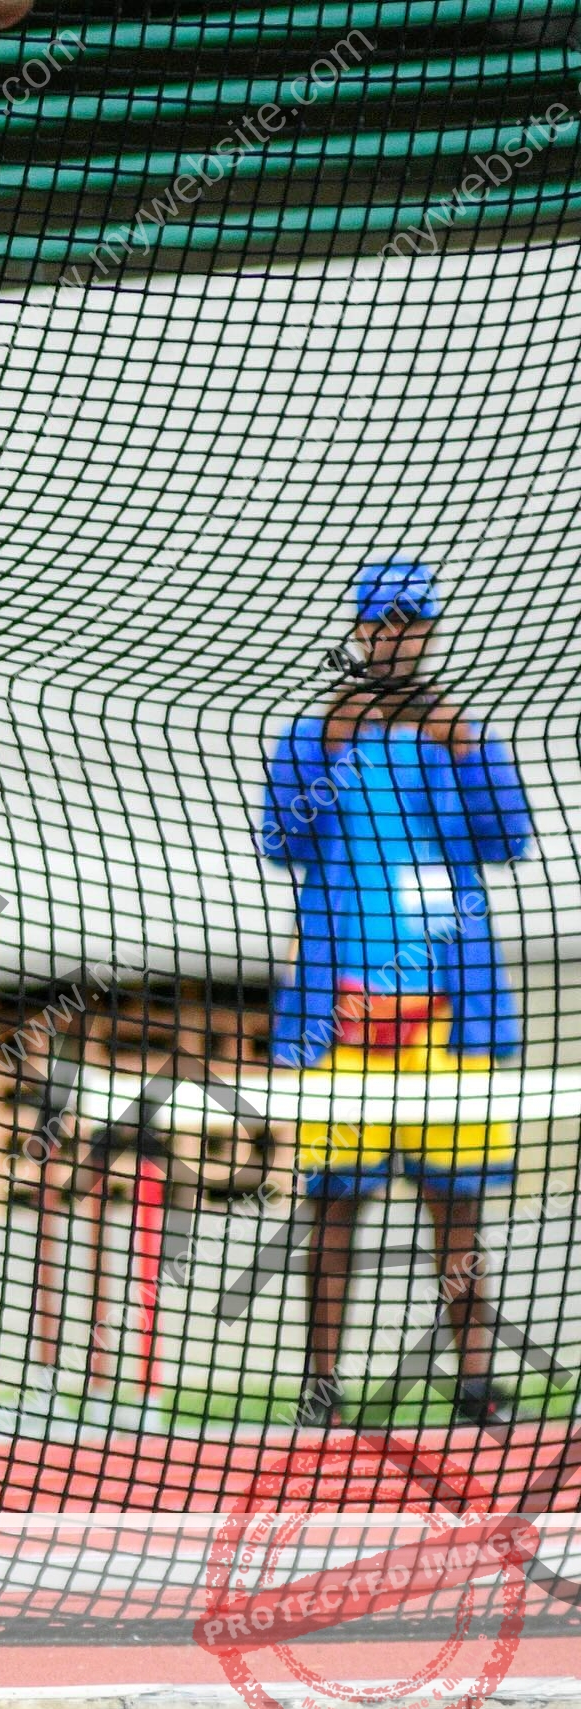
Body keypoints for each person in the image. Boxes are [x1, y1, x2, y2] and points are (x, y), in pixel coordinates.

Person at [258, 560, 532, 1431]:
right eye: (380, 623)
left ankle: (475, 1381)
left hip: (450, 1015)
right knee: (333, 1203)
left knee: (458, 1207)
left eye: (410, 623)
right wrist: (333, 746)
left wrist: (468, 747)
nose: (394, 638)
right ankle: (322, 1384)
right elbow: (281, 839)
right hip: (342, 1015)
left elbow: (511, 837)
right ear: (360, 630)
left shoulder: (458, 734)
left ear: (430, 631)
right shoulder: (318, 736)